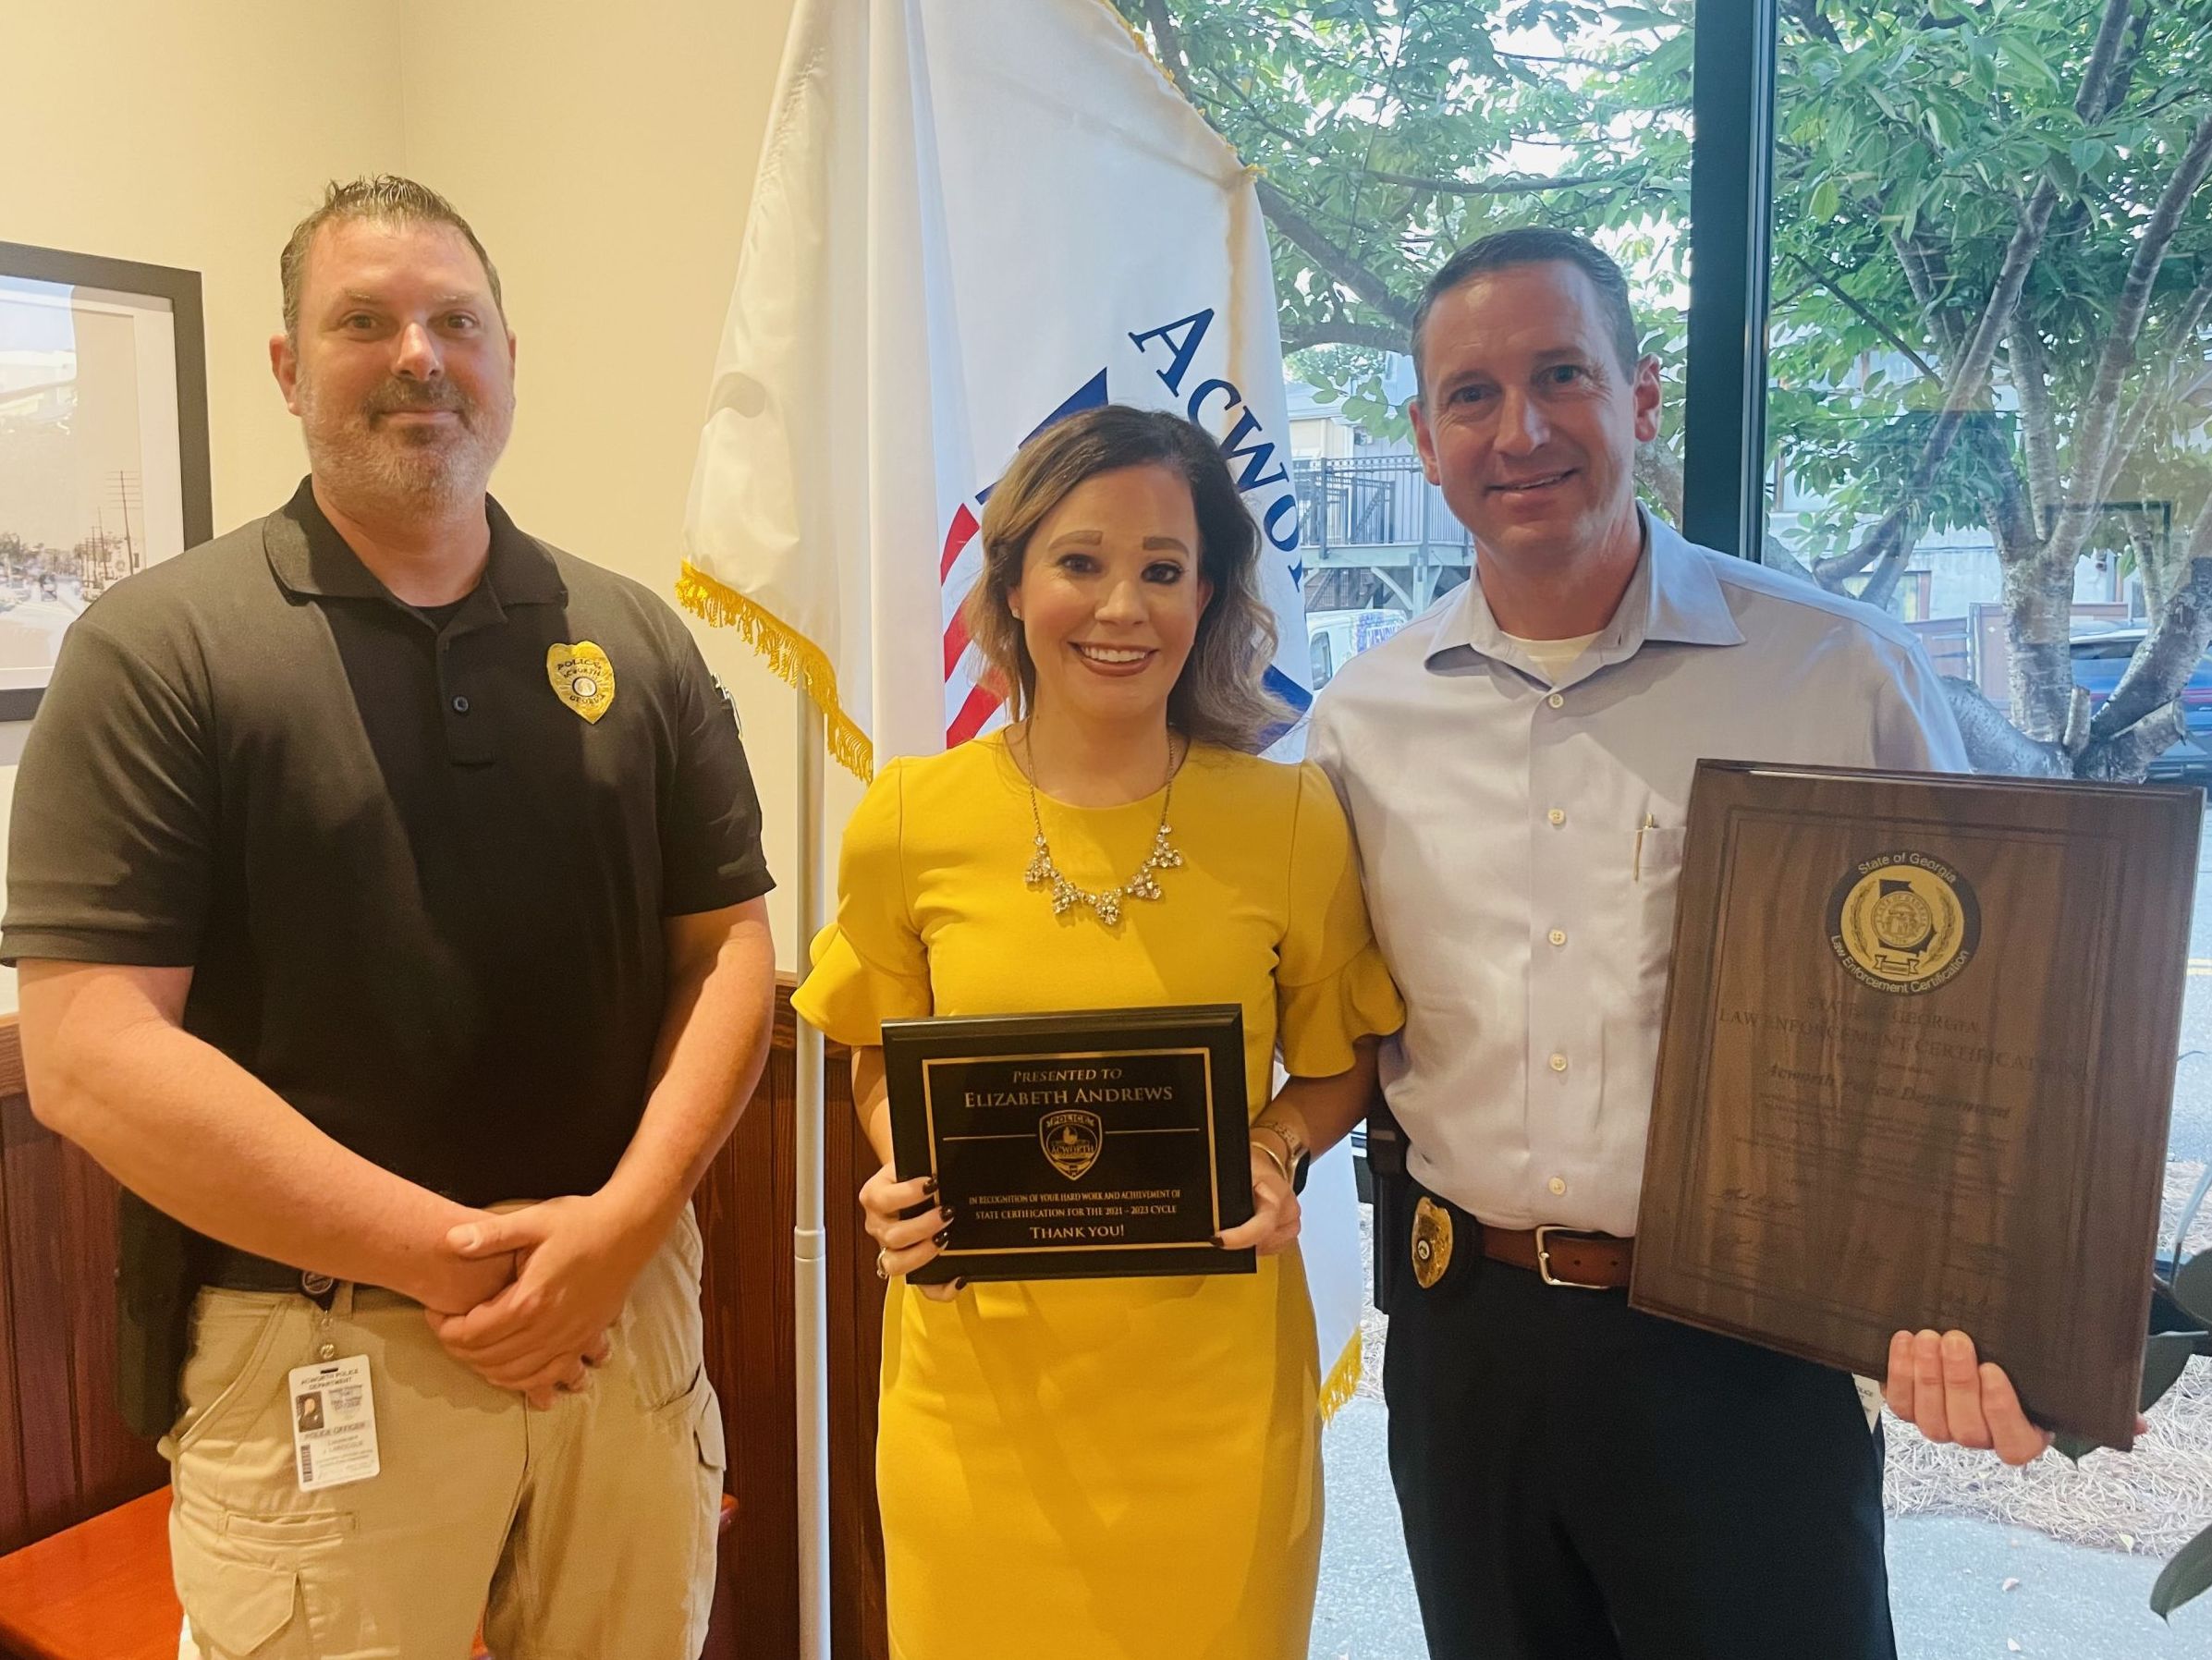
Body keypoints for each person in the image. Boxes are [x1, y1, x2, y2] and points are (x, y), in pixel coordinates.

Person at [4, 176, 776, 1660]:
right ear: (290, 370)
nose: (419, 354)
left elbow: (727, 948)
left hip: (622, 1325)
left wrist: (618, 1232)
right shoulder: (161, 651)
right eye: (365, 321)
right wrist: (450, 1258)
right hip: (318, 1346)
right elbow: (89, 1051)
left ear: (503, 359)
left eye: (456, 321)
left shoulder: (633, 638)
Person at [1308, 228, 2059, 1660]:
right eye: (1469, 396)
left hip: (1743, 1349)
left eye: (1559, 377)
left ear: (1641, 398)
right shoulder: (1362, 721)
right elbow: (1337, 1019)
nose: (1516, 431)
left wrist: (2001, 1309)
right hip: (1467, 1349)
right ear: (1419, 439)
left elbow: (1983, 1023)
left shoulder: (1834, 675)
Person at [792, 403, 1404, 1657]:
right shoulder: (910, 818)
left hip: (1212, 1398)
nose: (1120, 606)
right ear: (1013, 582)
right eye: (1080, 561)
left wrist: (1275, 1150)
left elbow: (1339, 1068)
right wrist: (895, 1168)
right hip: (975, 1397)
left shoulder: (1288, 820)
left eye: (1162, 570)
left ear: (1208, 595)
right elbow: (874, 1055)